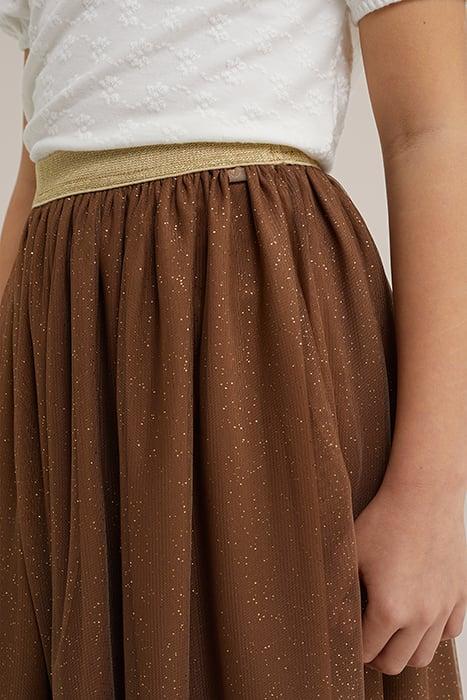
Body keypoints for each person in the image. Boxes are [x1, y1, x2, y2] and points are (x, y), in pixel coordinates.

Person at [0, 0, 465, 697]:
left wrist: (431, 494)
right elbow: (40, 163)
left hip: (250, 323)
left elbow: (430, 131)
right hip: (61, 336)